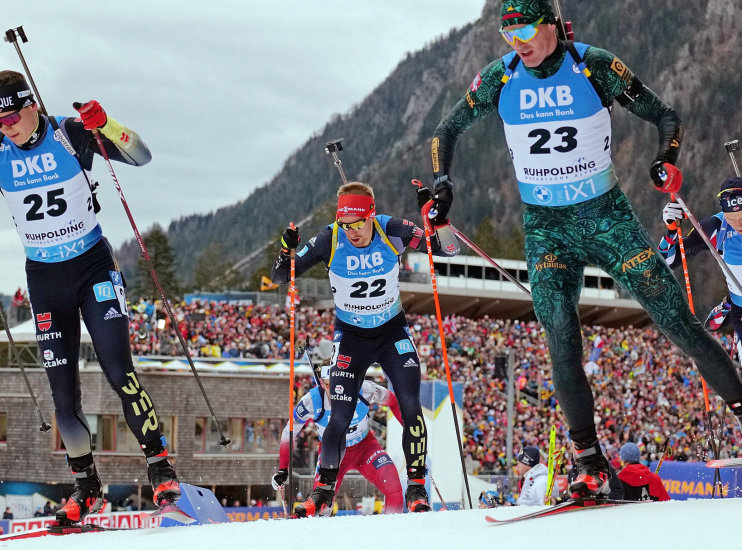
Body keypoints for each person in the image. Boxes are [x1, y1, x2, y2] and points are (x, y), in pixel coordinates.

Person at [430, 0, 742, 499]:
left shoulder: (592, 64)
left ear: (552, 24)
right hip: (546, 226)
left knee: (677, 321)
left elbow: (664, 114)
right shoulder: (499, 76)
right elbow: (445, 132)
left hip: (605, 217)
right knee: (560, 337)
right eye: (508, 32)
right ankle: (590, 461)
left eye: (527, 29)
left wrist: (665, 159)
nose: (518, 42)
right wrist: (443, 182)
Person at [0, 70, 180, 525]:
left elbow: (142, 155)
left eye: (12, 117)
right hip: (44, 279)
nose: (7, 128)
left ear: (31, 105)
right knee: (63, 396)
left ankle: (160, 468)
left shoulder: (70, 134)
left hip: (93, 267)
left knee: (120, 373)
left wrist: (107, 125)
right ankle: (87, 487)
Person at [271, 181, 455, 516]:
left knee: (412, 404)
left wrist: (435, 218)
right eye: (346, 225)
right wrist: (286, 250)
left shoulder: (393, 230)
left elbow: (448, 249)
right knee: (339, 415)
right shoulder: (330, 238)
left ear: (371, 215)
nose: (353, 232)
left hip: (391, 333)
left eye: (358, 224)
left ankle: (416, 487)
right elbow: (283, 274)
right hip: (351, 338)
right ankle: (322, 491)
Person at [271, 365, 405, 516]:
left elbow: (393, 401)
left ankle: (390, 537)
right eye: (329, 385)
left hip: (366, 448)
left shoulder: (365, 390)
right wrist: (283, 468)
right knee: (321, 507)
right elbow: (288, 433)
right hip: (333, 455)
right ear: (321, 383)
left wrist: (408, 430)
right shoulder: (312, 401)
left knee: (395, 491)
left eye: (339, 383)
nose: (335, 390)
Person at [659, 177, 742, 363]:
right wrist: (672, 230)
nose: (738, 225)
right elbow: (667, 260)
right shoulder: (716, 228)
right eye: (732, 218)